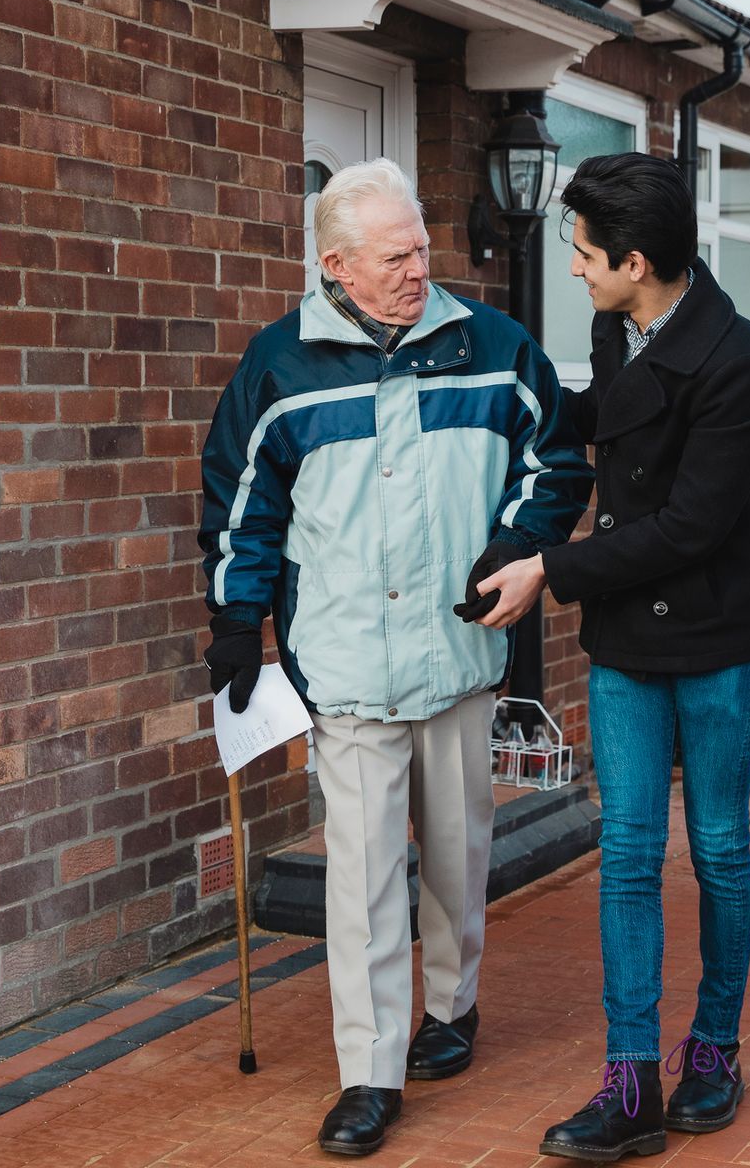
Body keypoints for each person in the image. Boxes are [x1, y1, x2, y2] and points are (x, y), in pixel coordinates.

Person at [198, 159, 591, 1157]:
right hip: (344, 665)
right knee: (363, 875)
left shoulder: (494, 348)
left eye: (421, 247)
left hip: (458, 653)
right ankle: (368, 1073)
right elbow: (242, 508)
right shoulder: (279, 366)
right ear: (337, 265)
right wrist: (238, 622)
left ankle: (452, 1005)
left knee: (458, 853)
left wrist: (517, 540)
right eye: (395, 256)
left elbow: (557, 458)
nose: (420, 268)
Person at [473, 152, 750, 1162]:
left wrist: (550, 571)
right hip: (627, 644)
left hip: (715, 639)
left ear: (637, 260)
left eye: (584, 254)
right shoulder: (619, 328)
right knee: (630, 853)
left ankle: (717, 1048)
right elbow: (605, 426)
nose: (575, 269)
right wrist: (521, 510)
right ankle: (629, 1078)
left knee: (722, 847)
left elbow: (690, 526)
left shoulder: (738, 363)